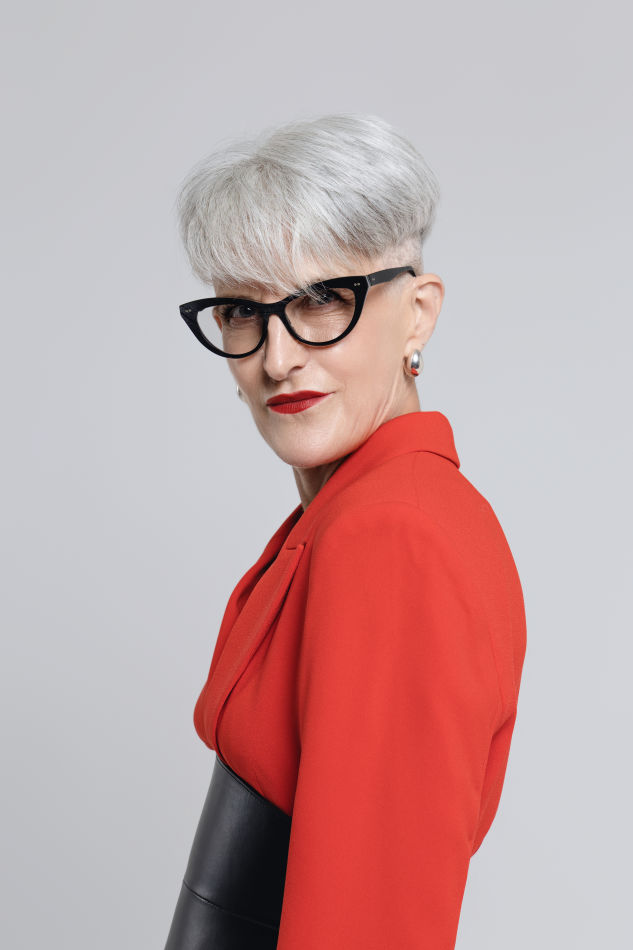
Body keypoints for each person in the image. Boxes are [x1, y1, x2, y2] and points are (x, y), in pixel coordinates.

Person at [164, 113, 527, 950]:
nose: (277, 358)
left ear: (417, 314)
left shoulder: (393, 535)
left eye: (322, 299)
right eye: (242, 310)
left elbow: (369, 920)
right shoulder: (353, 517)